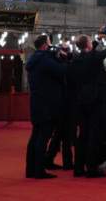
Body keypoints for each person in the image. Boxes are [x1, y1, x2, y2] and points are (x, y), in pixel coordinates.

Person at [69, 24, 106, 178]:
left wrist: (98, 38)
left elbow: (90, 52)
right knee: (93, 135)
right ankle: (91, 168)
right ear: (88, 45)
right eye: (91, 42)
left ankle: (78, 168)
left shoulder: (76, 59)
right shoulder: (93, 57)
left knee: (82, 135)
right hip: (95, 101)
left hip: (81, 101)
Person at [25, 34, 66, 179]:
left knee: (35, 137)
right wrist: (61, 57)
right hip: (47, 105)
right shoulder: (45, 60)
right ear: (44, 46)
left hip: (36, 103)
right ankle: (39, 170)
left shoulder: (34, 59)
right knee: (43, 138)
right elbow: (62, 71)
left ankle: (30, 170)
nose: (51, 46)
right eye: (49, 44)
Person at [45, 42, 74, 170]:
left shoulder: (57, 62)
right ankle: (66, 163)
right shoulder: (60, 65)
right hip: (64, 103)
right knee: (65, 134)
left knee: (60, 134)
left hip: (63, 102)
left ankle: (50, 160)